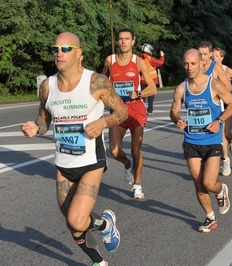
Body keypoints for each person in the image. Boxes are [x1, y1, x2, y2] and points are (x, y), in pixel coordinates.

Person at [21, 32, 128, 266]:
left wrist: (101, 123)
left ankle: (106, 226)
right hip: (63, 163)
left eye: (66, 49)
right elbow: (43, 120)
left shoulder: (96, 82)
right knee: (73, 223)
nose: (59, 54)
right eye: (55, 49)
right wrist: (34, 128)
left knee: (77, 219)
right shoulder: (47, 86)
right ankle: (99, 259)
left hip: (90, 161)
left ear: (79, 54)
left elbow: (122, 112)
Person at [170, 48, 232, 232]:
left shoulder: (214, 84)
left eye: (193, 63)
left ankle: (221, 190)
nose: (189, 67)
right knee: (198, 182)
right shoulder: (181, 88)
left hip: (212, 140)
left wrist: (220, 121)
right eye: (186, 64)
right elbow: (173, 111)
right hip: (191, 140)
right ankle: (210, 217)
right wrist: (178, 120)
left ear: (201, 63)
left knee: (209, 183)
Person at [102, 28, 157, 199]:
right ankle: (127, 165)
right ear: (118, 41)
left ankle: (137, 185)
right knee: (114, 150)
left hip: (135, 109)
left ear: (133, 42)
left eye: (127, 38)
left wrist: (138, 94)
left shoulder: (139, 62)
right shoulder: (110, 60)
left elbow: (152, 87)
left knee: (136, 150)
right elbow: (100, 82)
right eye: (120, 39)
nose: (123, 41)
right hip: (117, 110)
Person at [197, 42, 232, 177]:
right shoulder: (195, 67)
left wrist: (216, 91)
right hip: (200, 109)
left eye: (205, 54)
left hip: (216, 107)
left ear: (211, 54)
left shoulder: (216, 67)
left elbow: (228, 87)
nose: (202, 57)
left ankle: (225, 160)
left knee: (221, 135)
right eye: (200, 53)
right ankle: (208, 161)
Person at [212, 47, 232, 176]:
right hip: (214, 104)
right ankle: (224, 159)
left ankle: (231, 140)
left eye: (216, 55)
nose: (214, 57)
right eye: (212, 55)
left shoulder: (227, 70)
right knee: (218, 134)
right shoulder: (207, 70)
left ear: (221, 57)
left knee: (225, 133)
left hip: (226, 103)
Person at [140, 43, 165, 115]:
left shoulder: (140, 58)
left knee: (142, 96)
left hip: (142, 80)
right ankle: (150, 110)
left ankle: (141, 109)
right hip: (151, 80)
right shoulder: (149, 58)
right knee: (151, 94)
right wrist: (162, 56)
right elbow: (160, 62)